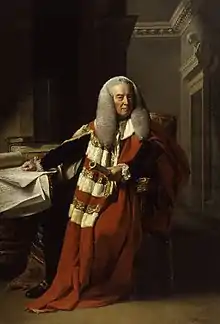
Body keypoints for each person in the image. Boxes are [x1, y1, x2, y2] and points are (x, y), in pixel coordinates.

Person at [22, 76, 189, 313]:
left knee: (106, 229)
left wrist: (125, 170)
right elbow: (69, 149)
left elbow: (151, 159)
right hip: (89, 188)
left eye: (129, 97)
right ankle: (52, 280)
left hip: (125, 190)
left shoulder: (146, 131)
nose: (125, 102)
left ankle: (93, 282)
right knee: (53, 216)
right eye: (119, 97)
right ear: (109, 101)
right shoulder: (96, 127)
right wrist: (39, 163)